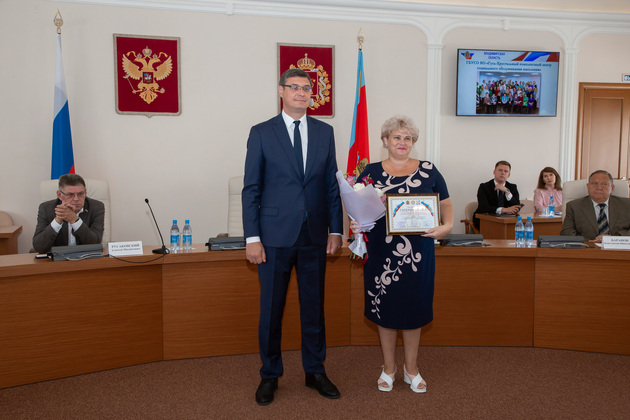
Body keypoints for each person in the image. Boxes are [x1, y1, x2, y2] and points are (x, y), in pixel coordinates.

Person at [242, 68, 343, 406]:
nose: (301, 92)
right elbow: (251, 189)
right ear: (281, 91)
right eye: (294, 87)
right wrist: (252, 237)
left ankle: (315, 371)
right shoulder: (261, 132)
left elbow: (331, 186)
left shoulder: (325, 132)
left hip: (314, 235)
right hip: (273, 237)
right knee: (272, 309)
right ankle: (270, 374)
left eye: (307, 88)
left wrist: (336, 229)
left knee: (314, 308)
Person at [350, 115, 453, 394]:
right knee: (385, 308)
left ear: (413, 142)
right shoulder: (369, 172)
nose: (402, 142)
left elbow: (445, 202)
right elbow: (356, 208)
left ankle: (411, 369)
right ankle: (388, 368)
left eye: (408, 138)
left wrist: (446, 226)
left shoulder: (429, 170)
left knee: (413, 309)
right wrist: (356, 223)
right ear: (385, 141)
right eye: (397, 137)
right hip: (380, 251)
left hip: (418, 252)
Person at [32, 174, 105, 253]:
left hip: (85, 257)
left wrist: (74, 220)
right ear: (59, 195)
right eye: (70, 194)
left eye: (80, 194)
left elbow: (95, 243)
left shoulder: (96, 207)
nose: (76, 199)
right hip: (57, 258)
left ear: (85, 192)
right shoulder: (46, 208)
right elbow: (39, 247)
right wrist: (58, 220)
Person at [560, 170, 630, 242]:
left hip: (618, 246)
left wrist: (614, 238)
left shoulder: (627, 204)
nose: (599, 187)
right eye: (595, 183)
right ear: (588, 187)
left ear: (612, 188)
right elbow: (566, 233)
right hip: (587, 247)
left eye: (604, 184)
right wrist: (589, 241)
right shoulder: (574, 206)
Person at [473, 160, 521, 230]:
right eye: (500, 170)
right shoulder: (484, 187)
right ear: (494, 172)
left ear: (508, 175)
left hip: (506, 221)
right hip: (486, 220)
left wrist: (506, 191)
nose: (503, 173)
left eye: (506, 171)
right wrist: (504, 210)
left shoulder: (512, 187)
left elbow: (517, 206)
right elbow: (483, 207)